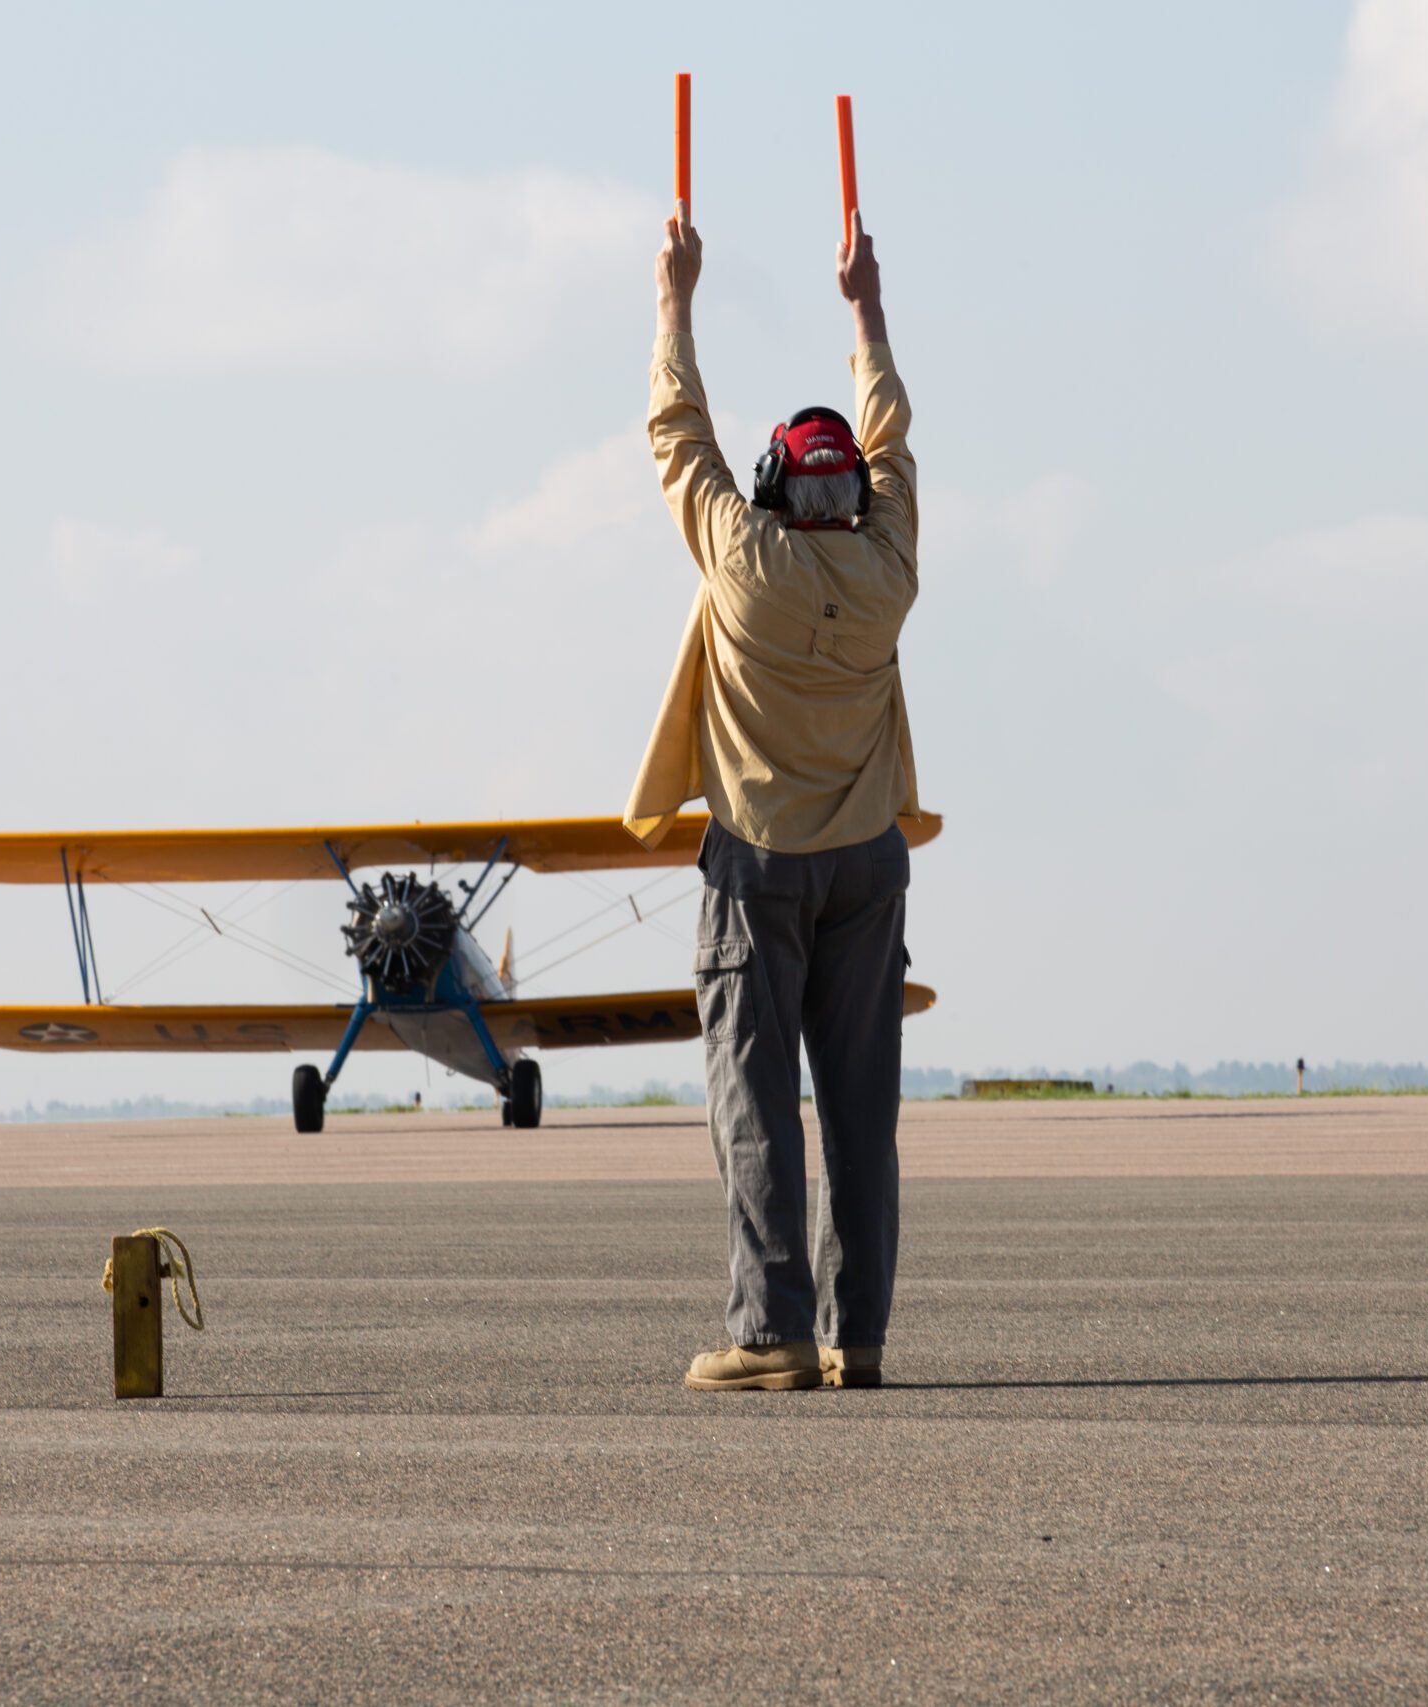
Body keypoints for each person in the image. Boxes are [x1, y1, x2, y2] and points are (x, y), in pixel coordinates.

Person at [625, 201, 924, 1392]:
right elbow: (893, 443)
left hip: (757, 865)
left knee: (754, 1106)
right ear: (849, 495)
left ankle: (773, 1334)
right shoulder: (891, 565)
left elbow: (672, 430)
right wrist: (866, 309)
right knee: (862, 1115)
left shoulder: (741, 561)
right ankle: (862, 1338)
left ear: (768, 491)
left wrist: (674, 294)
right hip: (869, 859)